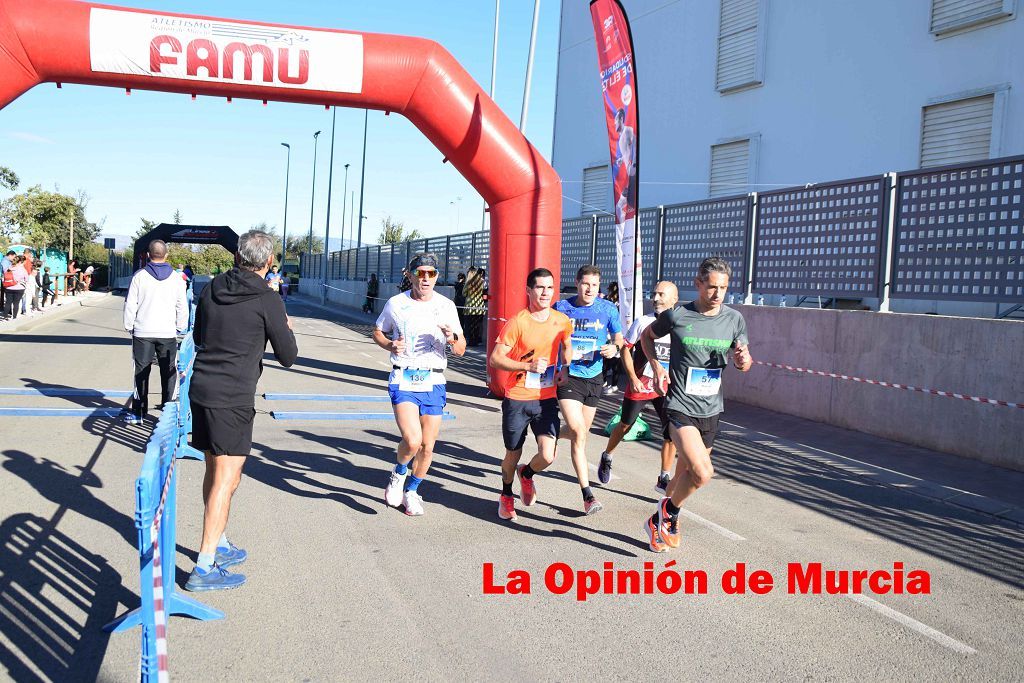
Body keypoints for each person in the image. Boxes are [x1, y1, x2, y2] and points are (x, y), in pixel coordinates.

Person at [185, 230, 298, 591]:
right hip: (232, 396)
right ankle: (203, 566)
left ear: (237, 256)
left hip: (202, 388)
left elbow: (200, 335)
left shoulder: (212, 287)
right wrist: (286, 328)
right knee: (226, 478)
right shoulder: (268, 299)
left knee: (215, 470)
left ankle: (217, 541)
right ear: (267, 263)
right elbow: (288, 356)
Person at [640, 257, 752, 552]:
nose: (717, 294)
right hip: (679, 404)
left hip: (711, 409)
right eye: (712, 287)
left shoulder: (734, 319)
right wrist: (657, 366)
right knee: (703, 473)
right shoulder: (678, 315)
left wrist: (743, 361)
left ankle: (657, 523)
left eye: (724, 288)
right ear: (698, 284)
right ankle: (670, 513)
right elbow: (646, 337)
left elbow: (745, 358)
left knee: (684, 475)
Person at [374, 253, 465, 516]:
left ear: (437, 277)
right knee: (412, 441)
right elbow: (378, 331)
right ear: (411, 275)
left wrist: (452, 338)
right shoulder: (396, 304)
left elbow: (461, 349)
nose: (426, 279)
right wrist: (389, 344)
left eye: (431, 274)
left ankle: (412, 491)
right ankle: (399, 473)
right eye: (421, 273)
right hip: (403, 377)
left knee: (428, 446)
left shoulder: (447, 306)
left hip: (434, 379)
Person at [489, 267, 572, 522]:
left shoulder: (561, 320)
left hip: (545, 397)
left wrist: (564, 369)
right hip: (517, 397)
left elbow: (566, 347)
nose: (546, 292)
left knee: (548, 455)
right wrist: (526, 366)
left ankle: (527, 474)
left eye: (550, 287)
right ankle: (506, 495)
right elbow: (495, 359)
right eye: (540, 287)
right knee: (513, 452)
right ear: (529, 290)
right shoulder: (518, 322)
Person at [553, 265, 624, 514]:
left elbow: (618, 337)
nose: (590, 289)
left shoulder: (607, 309)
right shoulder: (562, 308)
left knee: (579, 432)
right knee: (579, 433)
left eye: (594, 285)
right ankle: (587, 495)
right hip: (568, 374)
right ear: (577, 283)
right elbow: (544, 330)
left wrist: (614, 348)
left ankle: (552, 432)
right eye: (585, 284)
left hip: (594, 376)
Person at [598, 281, 679, 493]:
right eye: (654, 294)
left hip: (665, 387)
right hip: (641, 384)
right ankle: (607, 456)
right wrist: (632, 377)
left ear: (674, 300)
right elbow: (626, 349)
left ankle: (664, 476)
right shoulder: (643, 322)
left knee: (670, 432)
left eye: (662, 294)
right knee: (625, 425)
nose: (656, 298)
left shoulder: (680, 325)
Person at [122, 240, 188, 425]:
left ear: (149, 256)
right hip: (167, 332)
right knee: (169, 372)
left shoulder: (139, 276)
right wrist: (180, 327)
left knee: (141, 372)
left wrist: (129, 326)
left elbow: (130, 304)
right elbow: (182, 306)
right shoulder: (176, 279)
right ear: (166, 255)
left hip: (143, 332)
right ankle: (168, 415)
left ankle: (139, 413)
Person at [613, 107, 637, 225]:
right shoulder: (620, 137)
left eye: (616, 119)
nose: (614, 122)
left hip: (633, 174)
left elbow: (635, 144)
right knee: (619, 207)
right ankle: (624, 229)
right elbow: (627, 152)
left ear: (621, 119)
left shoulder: (628, 130)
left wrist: (634, 164)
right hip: (629, 178)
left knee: (631, 207)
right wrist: (622, 159)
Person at [602, 281, 621, 395]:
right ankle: (614, 385)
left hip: (608, 335)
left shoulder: (607, 302)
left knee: (606, 362)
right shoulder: (622, 304)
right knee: (615, 364)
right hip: (617, 335)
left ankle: (605, 383)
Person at [463, 267, 486, 346]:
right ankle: (476, 340)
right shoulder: (481, 282)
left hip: (469, 307)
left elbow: (464, 294)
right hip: (480, 307)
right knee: (477, 325)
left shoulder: (468, 283)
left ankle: (471, 341)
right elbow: (484, 294)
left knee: (469, 325)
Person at [2, 255, 27, 320]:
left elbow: (3, 277)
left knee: (8, 302)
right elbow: (27, 279)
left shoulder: (9, 268)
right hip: (19, 288)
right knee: (16, 303)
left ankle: (4, 316)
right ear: (20, 262)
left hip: (8, 287)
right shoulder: (22, 269)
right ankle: (14, 317)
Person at [0, 249, 13, 315]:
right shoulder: (5, 261)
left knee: (6, 295)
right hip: (6, 280)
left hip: (6, 279)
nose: (13, 259)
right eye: (13, 257)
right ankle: (7, 310)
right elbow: (6, 271)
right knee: (8, 295)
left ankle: (5, 308)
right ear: (10, 255)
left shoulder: (7, 261)